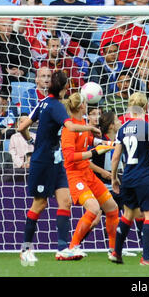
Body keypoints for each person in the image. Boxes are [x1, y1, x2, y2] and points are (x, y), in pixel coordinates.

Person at [17, 70, 101, 264]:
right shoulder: (55, 106)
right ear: (64, 88)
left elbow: (22, 127)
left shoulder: (43, 102)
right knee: (40, 204)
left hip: (56, 162)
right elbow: (70, 127)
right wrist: (89, 127)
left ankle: (63, 249)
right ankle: (25, 249)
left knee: (65, 202)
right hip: (43, 163)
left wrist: (31, 139)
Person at [109, 92, 149, 265]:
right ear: (145, 108)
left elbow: (116, 157)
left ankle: (116, 253)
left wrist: (113, 179)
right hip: (145, 177)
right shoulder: (147, 127)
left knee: (128, 214)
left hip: (128, 178)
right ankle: (147, 257)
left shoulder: (122, 129)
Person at [61, 92, 119, 258]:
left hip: (87, 173)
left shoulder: (82, 124)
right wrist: (93, 153)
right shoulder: (69, 128)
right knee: (93, 208)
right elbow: (70, 157)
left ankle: (113, 250)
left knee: (112, 208)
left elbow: (89, 140)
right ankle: (72, 247)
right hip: (75, 175)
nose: (88, 106)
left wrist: (108, 144)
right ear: (81, 106)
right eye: (86, 104)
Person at [0, 17, 33, 87]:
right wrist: (6, 71)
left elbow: (28, 60)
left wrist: (21, 71)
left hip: (19, 72)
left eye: (10, 25)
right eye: (4, 25)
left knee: (31, 76)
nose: (7, 28)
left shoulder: (20, 39)